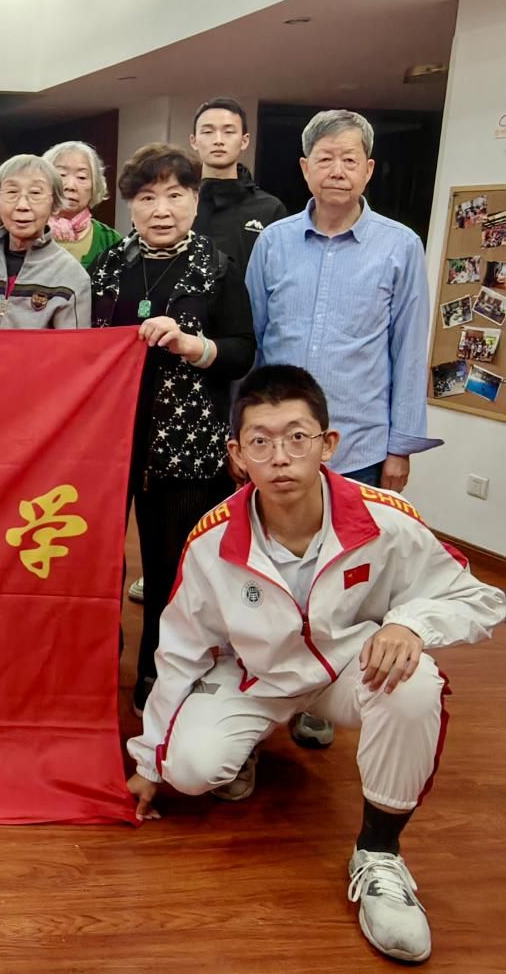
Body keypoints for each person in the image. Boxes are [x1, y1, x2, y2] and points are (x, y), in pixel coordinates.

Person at [127, 365, 504, 965]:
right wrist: (150, 761)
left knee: (415, 682)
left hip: (346, 673)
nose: (280, 457)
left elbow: (478, 596)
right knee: (190, 771)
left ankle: (379, 854)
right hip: (253, 677)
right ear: (236, 455)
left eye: (297, 437)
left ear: (328, 444)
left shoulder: (385, 518)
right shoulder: (212, 540)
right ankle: (245, 745)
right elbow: (179, 650)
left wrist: (410, 623)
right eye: (260, 441)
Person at [245, 109, 440, 751]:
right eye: (324, 158)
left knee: (344, 578)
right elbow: (254, 341)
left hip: (356, 441)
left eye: (349, 158)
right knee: (272, 570)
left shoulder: (400, 245)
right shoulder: (273, 243)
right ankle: (262, 689)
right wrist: (244, 437)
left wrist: (400, 446)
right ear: (304, 168)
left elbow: (409, 349)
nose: (337, 169)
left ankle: (321, 694)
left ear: (369, 169)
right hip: (275, 444)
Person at [90, 143, 255, 714]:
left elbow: (241, 351)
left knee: (171, 569)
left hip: (187, 444)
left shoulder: (218, 266)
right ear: (129, 206)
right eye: (146, 197)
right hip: (107, 442)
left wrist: (193, 345)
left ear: (195, 200)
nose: (161, 209)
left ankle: (157, 678)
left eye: (175, 195)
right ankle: (95, 664)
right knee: (98, 561)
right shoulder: (107, 267)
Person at [0, 154, 90, 329]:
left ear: (55, 204)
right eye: (12, 192)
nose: (22, 205)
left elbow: (74, 345)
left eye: (35, 193)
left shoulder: (72, 276)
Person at [188, 98, 286, 276]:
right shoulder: (179, 203)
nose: (218, 140)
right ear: (194, 141)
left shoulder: (269, 209)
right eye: (208, 132)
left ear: (244, 140)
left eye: (228, 132)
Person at [43, 141, 122, 271]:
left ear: (95, 185)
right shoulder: (28, 232)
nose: (70, 186)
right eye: (61, 175)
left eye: (81, 177)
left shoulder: (110, 240)